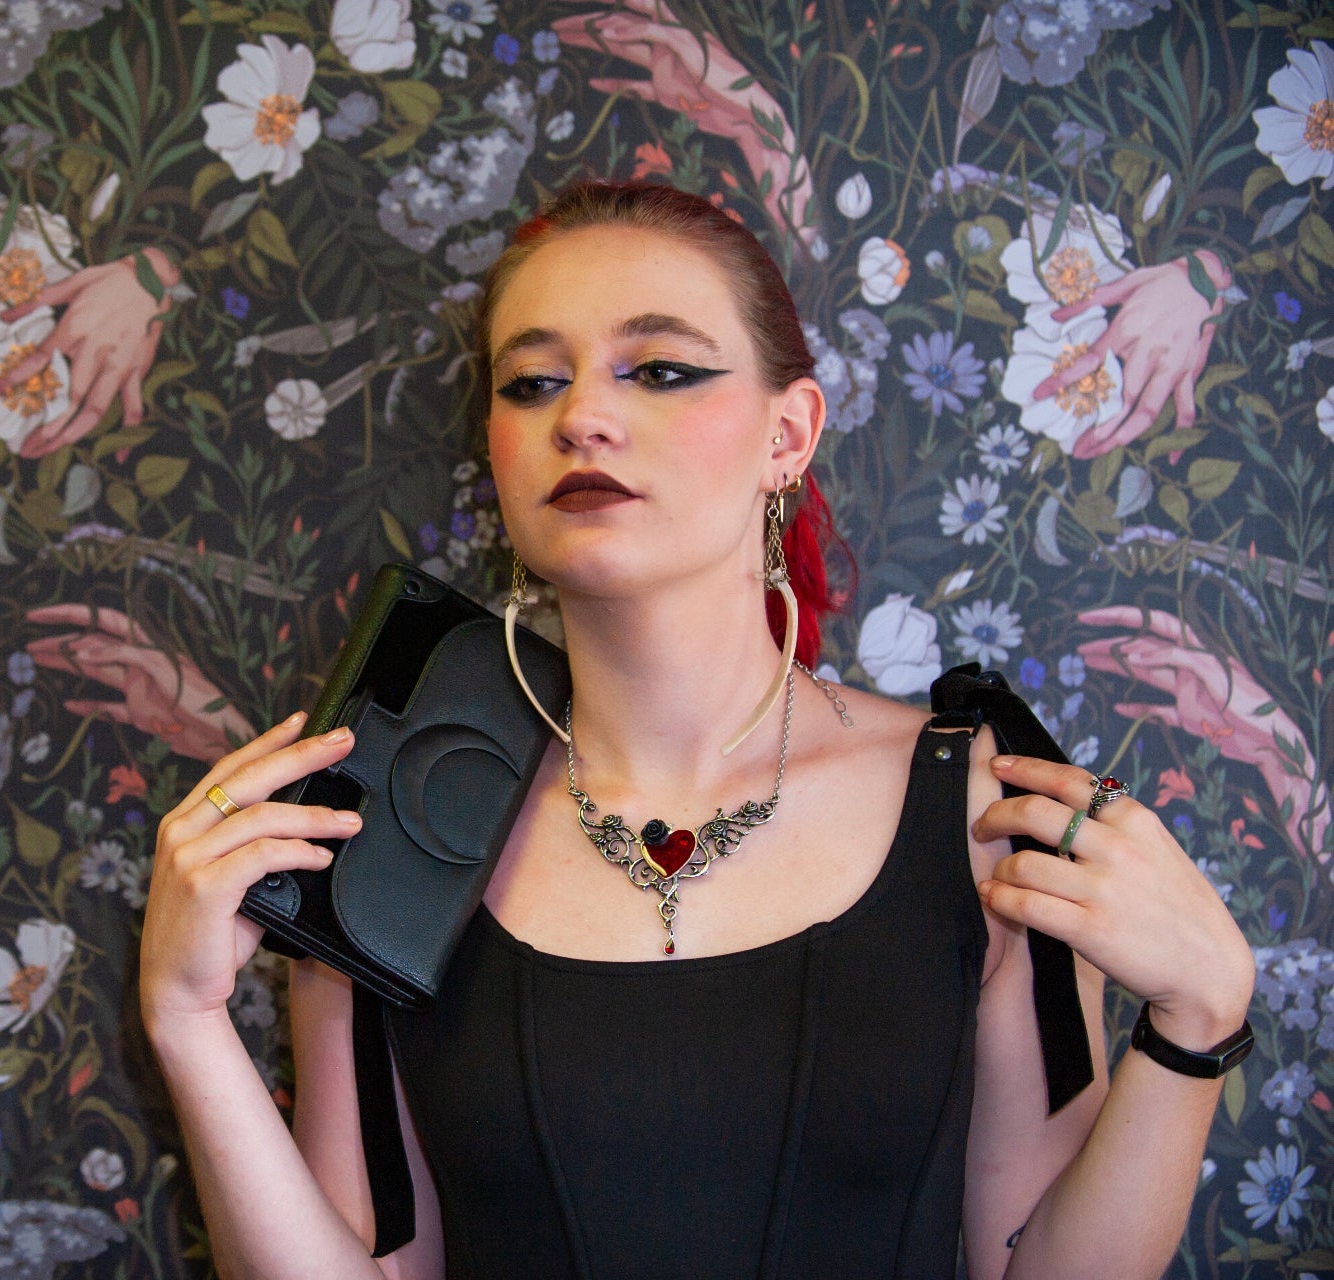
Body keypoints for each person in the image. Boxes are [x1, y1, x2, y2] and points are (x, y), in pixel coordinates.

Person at [137, 181, 1255, 1279]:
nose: (579, 414)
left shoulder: (983, 808)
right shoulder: (382, 831)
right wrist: (188, 1019)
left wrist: (1199, 1017)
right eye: (530, 381)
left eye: (661, 368)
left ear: (788, 433)